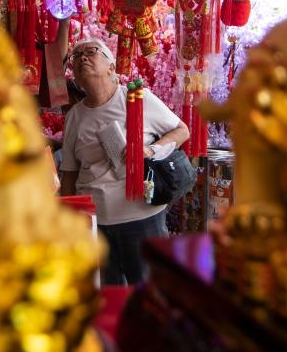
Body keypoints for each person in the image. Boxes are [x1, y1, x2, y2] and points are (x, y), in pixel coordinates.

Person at [59, 39, 190, 285]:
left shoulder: (138, 99)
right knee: (107, 300)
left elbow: (182, 130)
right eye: (76, 56)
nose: (82, 58)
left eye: (91, 52)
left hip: (141, 219)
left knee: (151, 295)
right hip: (96, 224)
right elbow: (69, 173)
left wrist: (150, 150)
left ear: (111, 67)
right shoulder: (75, 116)